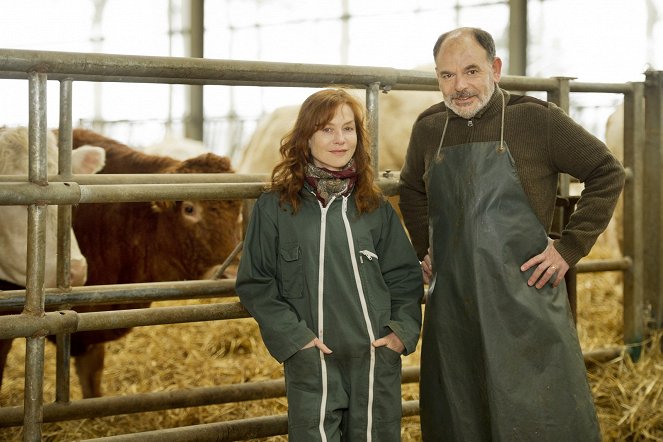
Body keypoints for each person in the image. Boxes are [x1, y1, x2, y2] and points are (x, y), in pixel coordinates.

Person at [399, 27, 625, 441]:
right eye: (447, 75)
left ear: (495, 68)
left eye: (471, 71)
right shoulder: (429, 127)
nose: (460, 86)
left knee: (537, 411)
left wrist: (569, 248)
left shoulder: (537, 120)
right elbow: (411, 188)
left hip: (525, 300)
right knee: (460, 413)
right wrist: (423, 246)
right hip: (454, 305)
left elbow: (606, 171)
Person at [236, 88, 423, 441]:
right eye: (327, 129)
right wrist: (297, 341)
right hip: (313, 360)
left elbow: (404, 276)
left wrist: (401, 332)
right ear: (305, 138)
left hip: (374, 358)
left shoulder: (375, 207)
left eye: (348, 129)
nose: (340, 140)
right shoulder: (274, 208)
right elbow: (256, 283)